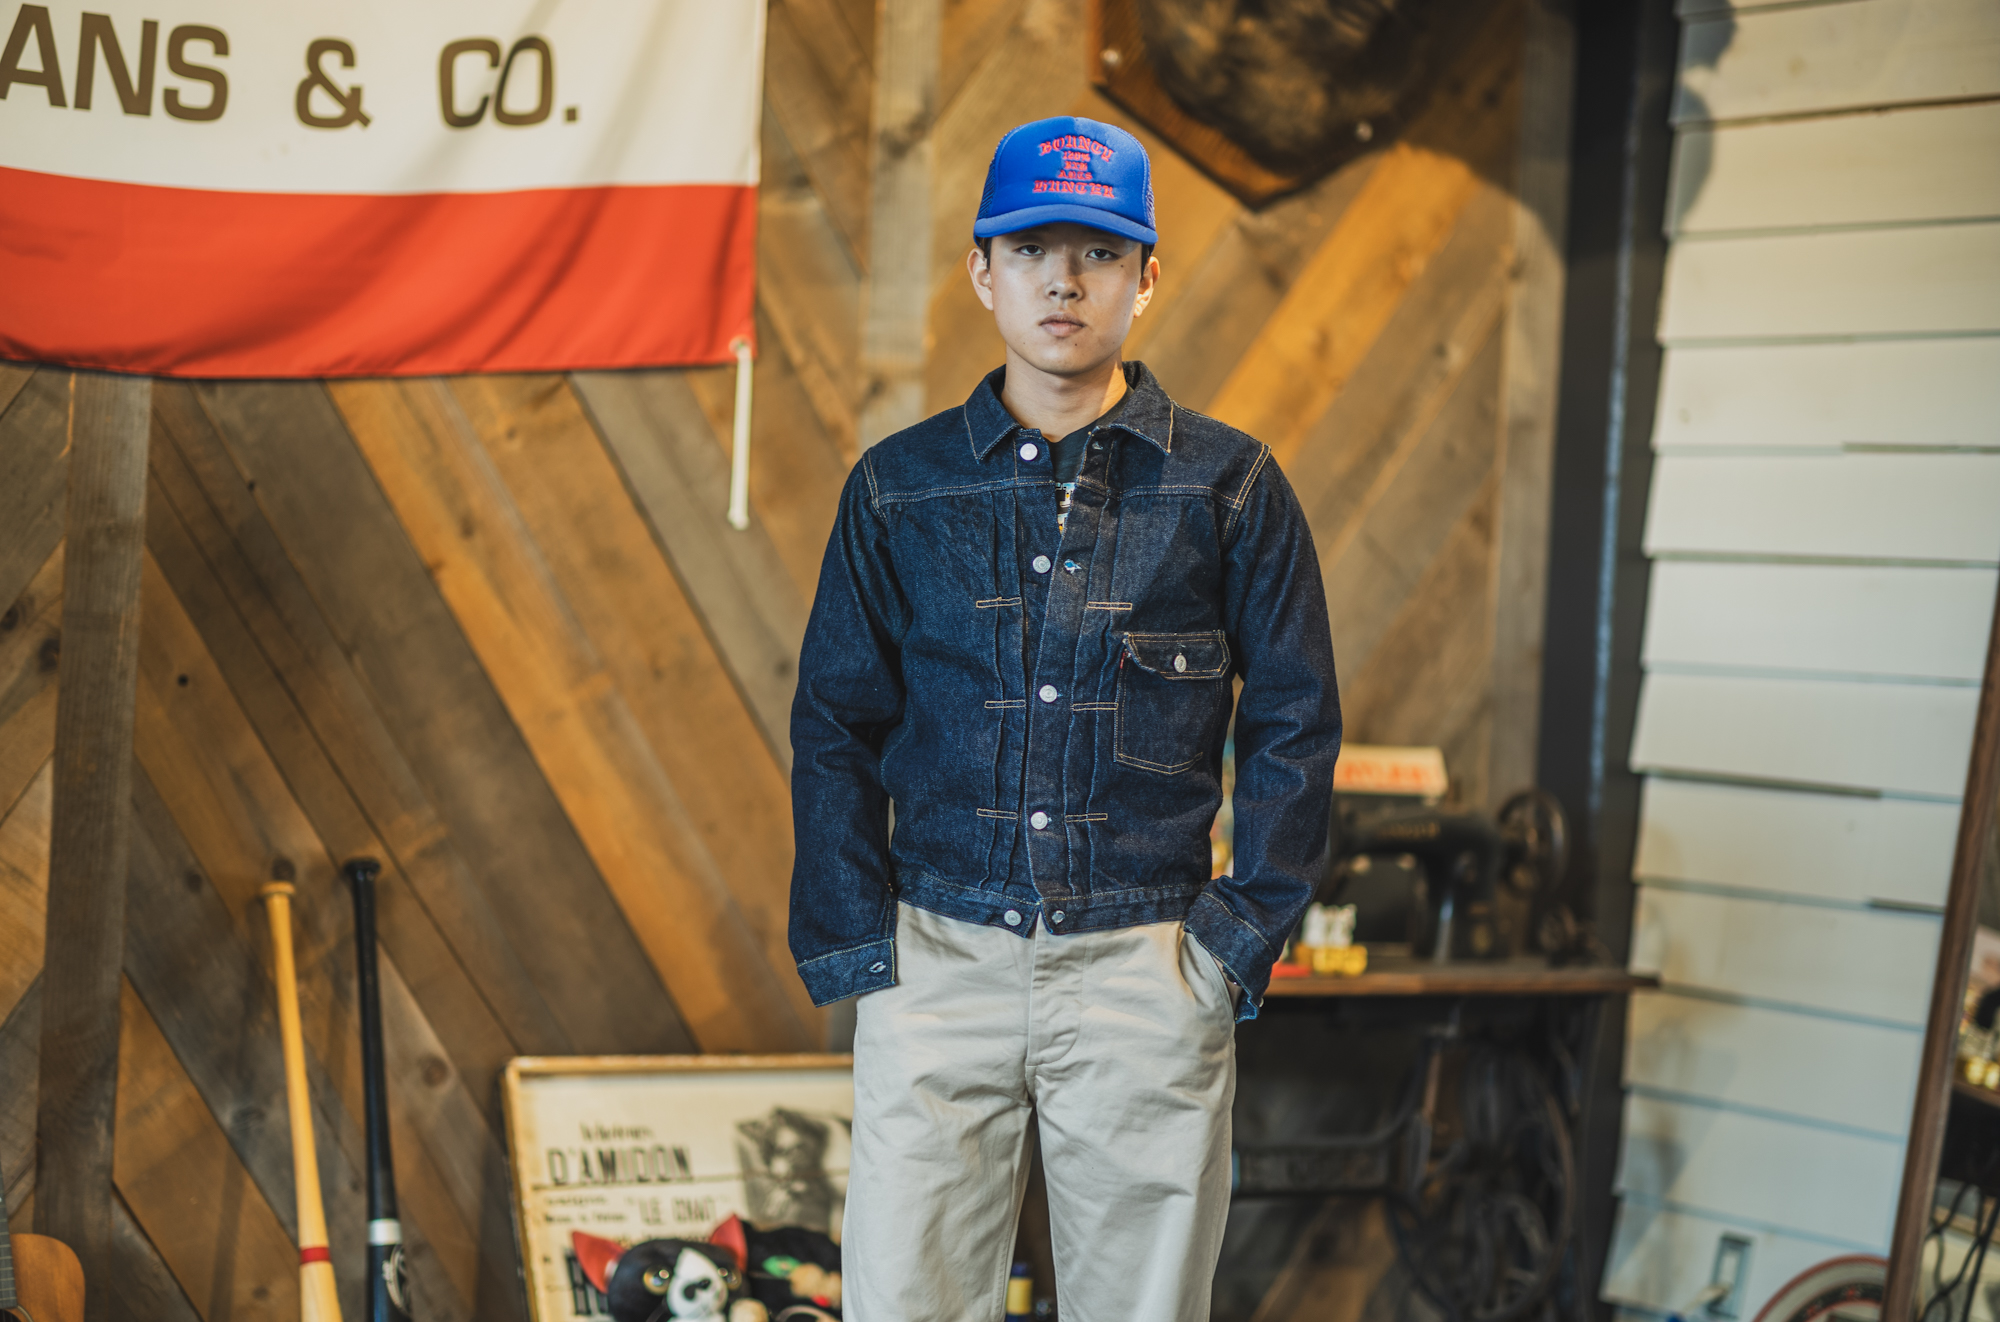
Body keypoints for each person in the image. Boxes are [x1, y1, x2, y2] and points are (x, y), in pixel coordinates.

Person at [789, 115, 1342, 1321]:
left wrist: (1235, 936)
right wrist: (862, 946)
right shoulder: (898, 487)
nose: (1062, 280)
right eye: (1030, 249)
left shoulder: (1228, 487)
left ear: (1144, 279)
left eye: (1097, 252)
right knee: (905, 1301)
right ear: (981, 273)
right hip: (937, 959)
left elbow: (1295, 718)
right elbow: (833, 718)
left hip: (1148, 964)